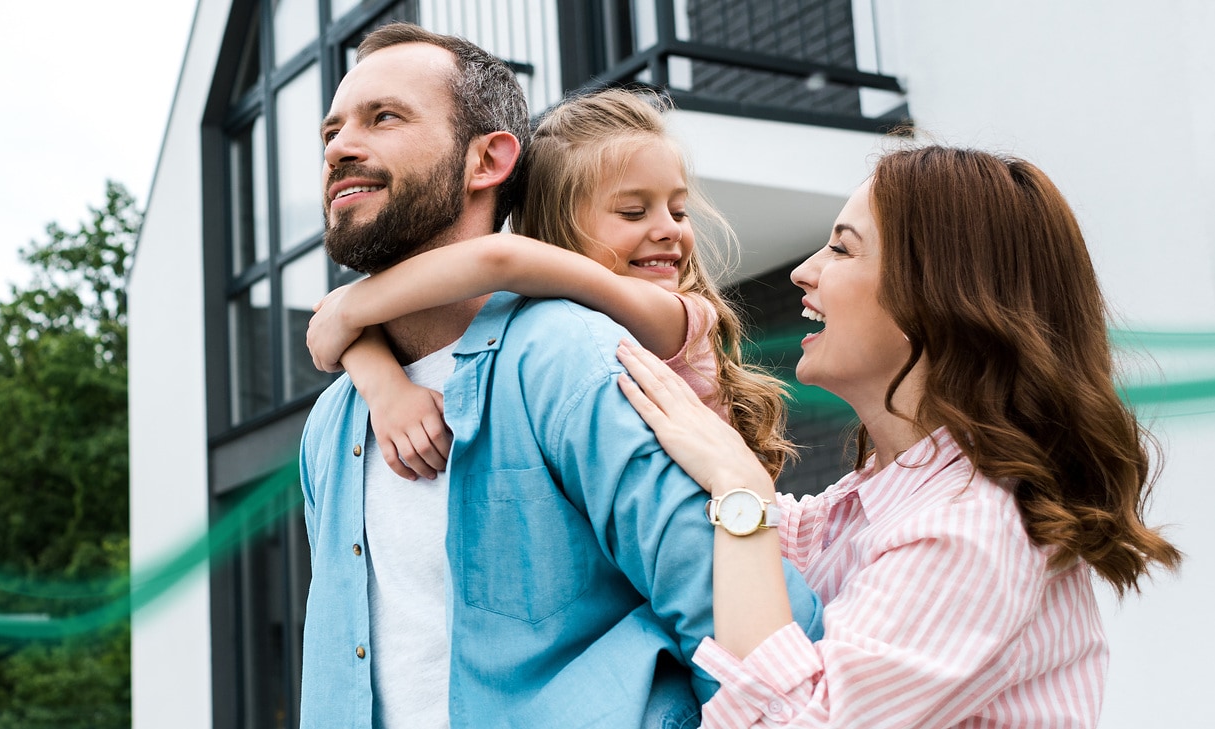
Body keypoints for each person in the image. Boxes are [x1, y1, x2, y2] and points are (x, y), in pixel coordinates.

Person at [297, 23, 822, 728]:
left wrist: (345, 311)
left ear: (488, 160)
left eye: (382, 117)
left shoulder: (573, 356)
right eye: (331, 130)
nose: (339, 147)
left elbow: (750, 638)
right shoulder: (333, 423)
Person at [612, 145, 1183, 727]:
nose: (804, 271)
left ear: (936, 294)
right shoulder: (881, 501)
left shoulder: (968, 526)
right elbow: (755, 547)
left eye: (841, 248)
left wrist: (741, 491)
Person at [305, 88, 792, 487]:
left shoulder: (677, 315)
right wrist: (387, 389)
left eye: (678, 211)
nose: (670, 229)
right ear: (556, 227)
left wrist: (353, 306)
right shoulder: (536, 321)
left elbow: (499, 259)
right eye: (632, 212)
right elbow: (339, 327)